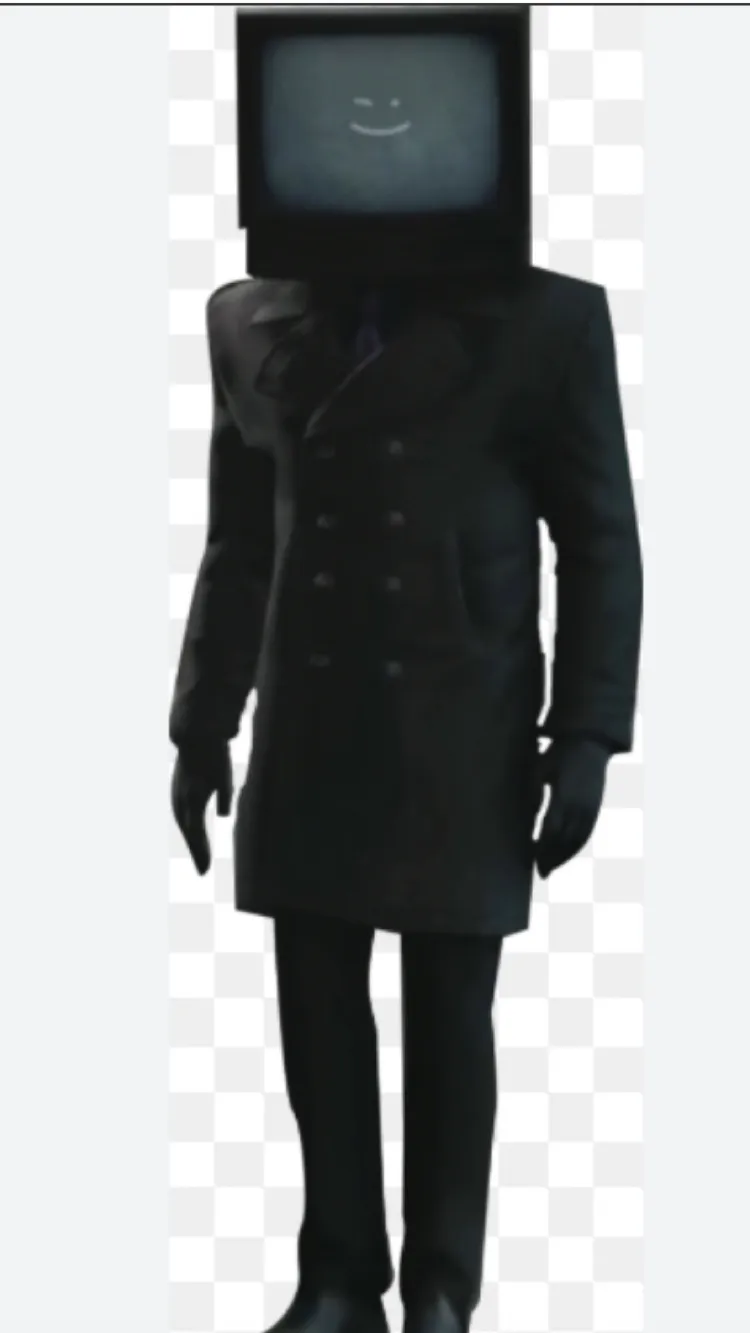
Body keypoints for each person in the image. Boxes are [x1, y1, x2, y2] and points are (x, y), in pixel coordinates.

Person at [170, 10, 643, 1332]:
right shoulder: (242, 317)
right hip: (310, 718)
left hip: (462, 716)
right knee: (317, 1008)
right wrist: (201, 723)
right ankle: (338, 1279)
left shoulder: (549, 322)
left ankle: (440, 1285)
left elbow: (601, 538)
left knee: (449, 1012)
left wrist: (586, 735)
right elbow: (237, 540)